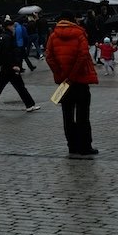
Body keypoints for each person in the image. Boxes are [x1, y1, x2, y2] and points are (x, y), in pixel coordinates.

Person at [45, 11, 99, 156]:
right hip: (80, 81)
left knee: (67, 116)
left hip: (64, 83)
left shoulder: (53, 36)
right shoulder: (80, 33)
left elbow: (49, 57)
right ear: (73, 20)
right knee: (83, 116)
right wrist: (72, 75)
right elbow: (83, 56)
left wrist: (61, 74)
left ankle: (72, 146)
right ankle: (85, 147)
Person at [0, 17, 39, 113]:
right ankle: (30, 105)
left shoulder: (3, 36)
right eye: (13, 26)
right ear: (9, 27)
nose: (14, 28)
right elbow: (8, 53)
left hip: (5, 67)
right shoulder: (8, 38)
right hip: (10, 67)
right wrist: (14, 65)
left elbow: (0, 53)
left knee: (0, 86)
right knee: (20, 86)